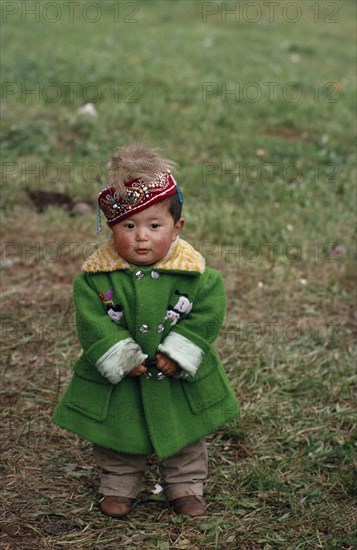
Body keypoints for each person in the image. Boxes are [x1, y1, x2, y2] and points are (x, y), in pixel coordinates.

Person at [52, 142, 239, 518]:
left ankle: (185, 485)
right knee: (120, 433)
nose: (141, 237)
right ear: (110, 228)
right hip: (124, 376)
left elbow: (205, 314)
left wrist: (178, 351)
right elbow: (94, 322)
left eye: (155, 226)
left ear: (176, 227)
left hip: (176, 375)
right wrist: (119, 354)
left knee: (186, 432)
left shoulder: (197, 276)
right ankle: (119, 485)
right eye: (129, 226)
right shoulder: (96, 280)